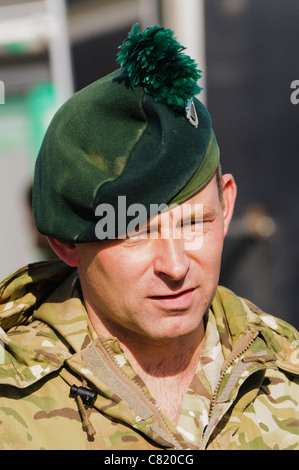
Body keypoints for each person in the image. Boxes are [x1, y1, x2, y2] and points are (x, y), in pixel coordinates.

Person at [0, 24, 298, 451]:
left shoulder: (286, 374)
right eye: (135, 233)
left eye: (194, 223)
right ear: (66, 244)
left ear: (227, 205)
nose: (175, 267)